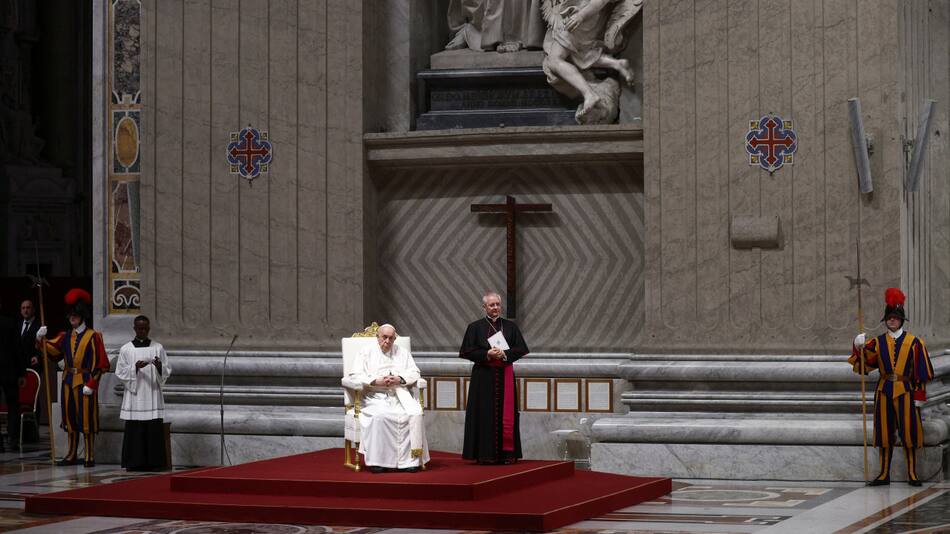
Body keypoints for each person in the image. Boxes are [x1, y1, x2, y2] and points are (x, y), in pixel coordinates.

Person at [850, 288, 935, 486]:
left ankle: (912, 473)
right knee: (884, 432)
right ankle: (883, 473)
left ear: (901, 320)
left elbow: (921, 372)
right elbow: (864, 365)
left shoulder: (915, 343)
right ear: (885, 320)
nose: (892, 321)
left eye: (896, 318)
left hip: (906, 391)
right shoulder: (877, 343)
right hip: (884, 391)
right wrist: (857, 345)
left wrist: (919, 396)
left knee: (909, 432)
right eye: (889, 318)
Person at [36, 288, 110, 467]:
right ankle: (71, 453)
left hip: (85, 380)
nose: (72, 319)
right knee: (69, 419)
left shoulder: (94, 337)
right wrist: (40, 338)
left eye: (75, 316)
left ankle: (89, 455)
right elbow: (51, 349)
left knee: (86, 419)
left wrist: (92, 383)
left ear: (82, 316)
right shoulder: (65, 335)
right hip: (68, 381)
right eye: (70, 316)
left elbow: (102, 364)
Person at [346, 323, 429, 473]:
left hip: (400, 395)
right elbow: (355, 374)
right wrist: (375, 381)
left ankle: (409, 461)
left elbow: (415, 372)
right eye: (384, 337)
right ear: (377, 337)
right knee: (380, 416)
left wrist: (400, 379)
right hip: (374, 396)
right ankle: (378, 462)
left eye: (391, 338)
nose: (387, 341)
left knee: (412, 414)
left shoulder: (402, 352)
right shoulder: (366, 352)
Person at [459, 291, 529, 464]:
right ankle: (484, 455)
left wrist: (504, 354)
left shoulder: (510, 327)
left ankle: (507, 455)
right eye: (492, 305)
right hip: (483, 378)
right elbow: (466, 351)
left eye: (498, 304)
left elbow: (521, 348)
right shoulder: (474, 327)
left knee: (507, 414)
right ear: (484, 307)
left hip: (505, 376)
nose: (496, 308)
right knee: (483, 414)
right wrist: (487, 354)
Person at [115, 315, 170, 471]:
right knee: (135, 429)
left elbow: (167, 370)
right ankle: (134, 462)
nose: (143, 331)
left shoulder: (157, 347)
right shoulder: (126, 349)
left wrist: (159, 366)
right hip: (135, 396)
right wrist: (135, 368)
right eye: (140, 328)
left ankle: (155, 462)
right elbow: (120, 372)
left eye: (145, 328)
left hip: (152, 392)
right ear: (134, 329)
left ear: (149, 328)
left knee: (153, 428)